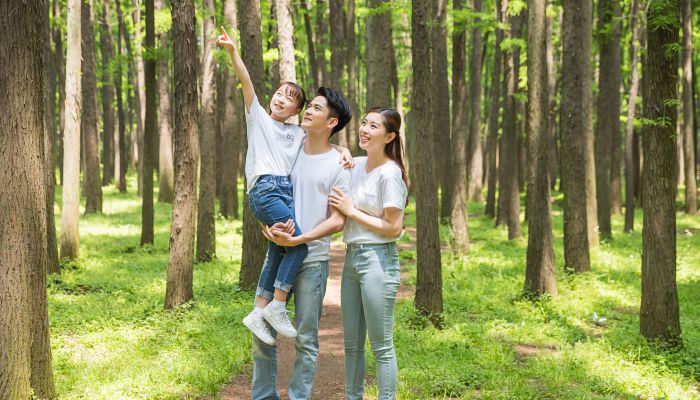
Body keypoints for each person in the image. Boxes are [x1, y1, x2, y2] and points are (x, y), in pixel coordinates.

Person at [216, 27, 350, 344]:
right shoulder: (258, 118)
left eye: (290, 98)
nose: (281, 99)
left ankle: (259, 310)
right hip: (264, 190)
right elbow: (246, 84)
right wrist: (233, 51)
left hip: (282, 192)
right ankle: (277, 304)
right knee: (298, 245)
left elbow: (326, 143)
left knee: (281, 247)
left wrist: (345, 151)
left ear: (296, 111)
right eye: (279, 93)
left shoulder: (299, 134)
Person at [256, 87, 352, 399]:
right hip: (278, 254)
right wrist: (265, 225)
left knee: (306, 339)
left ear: (332, 122)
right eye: (308, 105)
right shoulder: (291, 146)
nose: (308, 110)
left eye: (317, 108)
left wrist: (300, 238)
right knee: (261, 332)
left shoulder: (339, 164)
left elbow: (338, 221)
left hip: (312, 262)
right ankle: (264, 396)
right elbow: (265, 190)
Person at [328, 107, 408, 400]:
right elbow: (329, 150)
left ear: (388, 136)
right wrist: (340, 149)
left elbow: (393, 227)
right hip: (352, 259)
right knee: (351, 344)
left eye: (373, 126)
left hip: (379, 260)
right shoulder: (357, 164)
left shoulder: (390, 174)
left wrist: (352, 211)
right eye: (364, 123)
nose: (364, 129)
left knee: (382, 346)